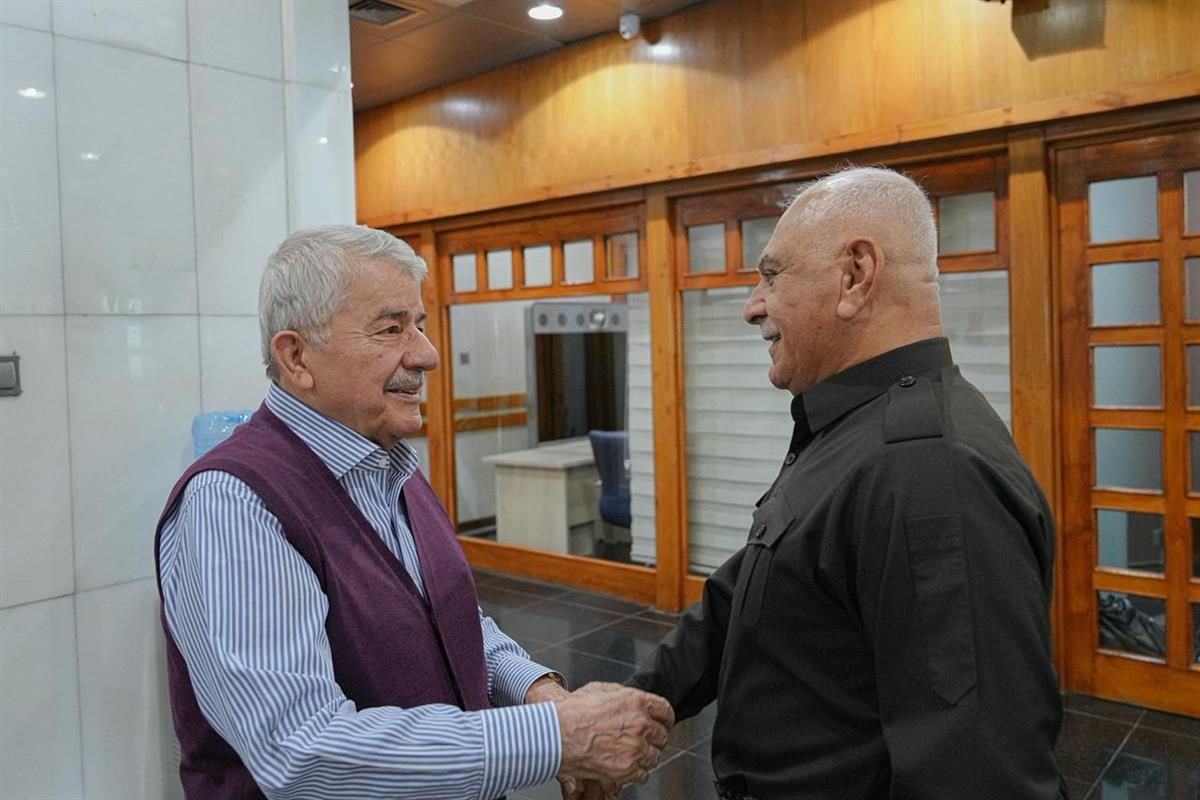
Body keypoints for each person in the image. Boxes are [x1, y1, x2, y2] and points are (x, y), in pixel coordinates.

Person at [155, 225, 673, 799]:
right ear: (296, 356)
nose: (427, 354)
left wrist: (538, 693)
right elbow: (301, 752)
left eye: (419, 324)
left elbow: (453, 621)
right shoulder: (234, 502)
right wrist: (554, 737)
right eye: (391, 328)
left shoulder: (391, 467)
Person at [628, 167, 1065, 799]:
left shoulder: (931, 472)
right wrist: (637, 701)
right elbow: (753, 589)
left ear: (856, 275)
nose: (753, 306)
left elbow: (976, 772)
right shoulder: (851, 424)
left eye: (772, 276)